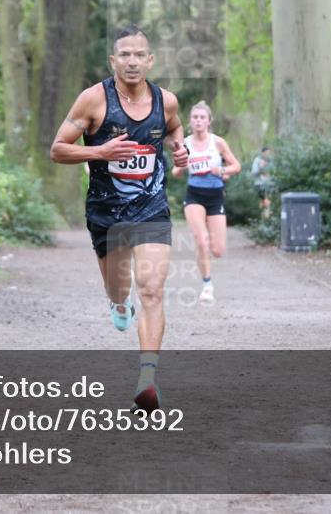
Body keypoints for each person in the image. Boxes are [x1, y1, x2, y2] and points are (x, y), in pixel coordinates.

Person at [50, 25, 188, 412]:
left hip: (151, 207)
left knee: (153, 289)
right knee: (120, 289)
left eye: (138, 54)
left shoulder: (167, 101)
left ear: (150, 60)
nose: (131, 61)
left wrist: (179, 149)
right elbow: (58, 150)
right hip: (106, 212)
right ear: (113, 61)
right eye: (124, 54)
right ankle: (117, 304)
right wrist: (100, 153)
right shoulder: (93, 101)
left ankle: (147, 380)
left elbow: (176, 130)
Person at [172, 101, 241, 303]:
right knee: (201, 241)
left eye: (202, 117)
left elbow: (236, 166)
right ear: (190, 122)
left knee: (218, 250)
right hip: (194, 195)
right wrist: (183, 165)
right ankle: (207, 285)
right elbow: (175, 172)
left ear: (209, 121)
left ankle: (210, 253)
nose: (198, 121)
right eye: (195, 117)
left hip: (216, 196)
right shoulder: (185, 143)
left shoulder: (217, 143)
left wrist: (221, 170)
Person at [251, 146, 274, 218]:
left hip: (269, 184)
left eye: (269, 153)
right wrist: (261, 168)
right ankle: (263, 219)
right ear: (262, 153)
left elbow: (273, 172)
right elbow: (254, 172)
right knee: (263, 202)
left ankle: (265, 219)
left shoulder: (271, 161)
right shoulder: (257, 160)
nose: (268, 154)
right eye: (266, 152)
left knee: (267, 202)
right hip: (260, 184)